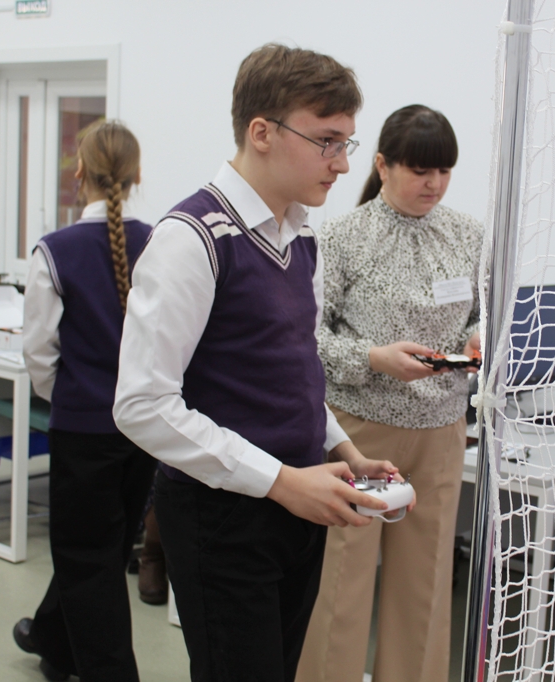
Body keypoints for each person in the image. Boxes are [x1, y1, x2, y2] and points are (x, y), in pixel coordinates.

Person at [113, 44, 404, 682]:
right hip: (223, 512)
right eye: (326, 141)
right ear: (262, 132)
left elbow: (291, 372)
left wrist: (343, 450)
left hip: (297, 499)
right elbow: (141, 406)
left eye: (347, 143)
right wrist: (281, 481)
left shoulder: (301, 236)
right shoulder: (191, 238)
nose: (342, 163)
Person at [295, 104, 482, 682]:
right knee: (342, 584)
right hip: (359, 433)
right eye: (420, 170)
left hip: (442, 432)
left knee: (425, 584)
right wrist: (373, 358)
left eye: (444, 171)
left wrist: (478, 339)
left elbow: (482, 315)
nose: (434, 184)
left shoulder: (469, 235)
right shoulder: (342, 238)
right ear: (382, 165)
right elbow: (305, 338)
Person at [13, 120, 157, 682]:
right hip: (144, 428)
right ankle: (54, 640)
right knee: (107, 545)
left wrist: (72, 398)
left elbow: (38, 352)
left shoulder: (55, 251)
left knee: (85, 554)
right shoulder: (162, 244)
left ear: (79, 172)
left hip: (84, 428)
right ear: (137, 174)